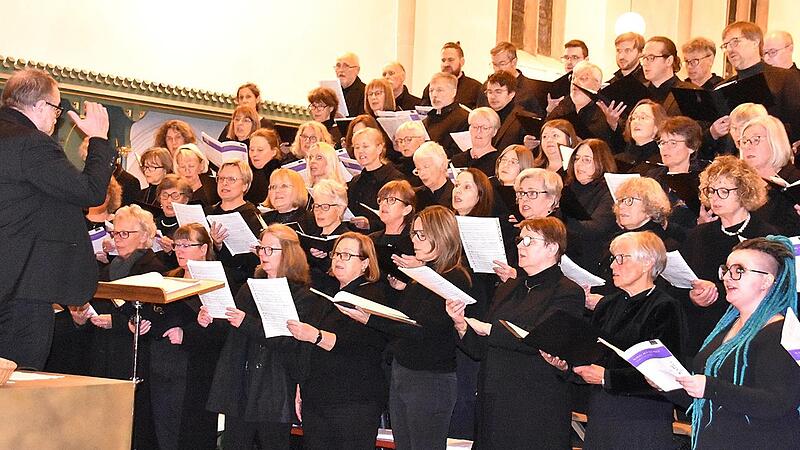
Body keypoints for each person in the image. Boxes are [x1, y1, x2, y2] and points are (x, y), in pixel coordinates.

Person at [0, 68, 116, 370]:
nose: (58, 117)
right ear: (39, 106)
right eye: (56, 108)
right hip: (22, 286)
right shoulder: (32, 143)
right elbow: (89, 192)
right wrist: (99, 139)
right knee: (20, 384)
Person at [338, 205, 471, 450]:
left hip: (430, 378)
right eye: (414, 234)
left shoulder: (455, 277)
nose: (415, 241)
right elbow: (407, 317)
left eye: (421, 235)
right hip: (404, 370)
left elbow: (422, 329)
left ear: (441, 236)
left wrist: (369, 318)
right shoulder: (420, 274)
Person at [447, 217, 584, 449]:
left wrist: (489, 329)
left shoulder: (568, 291)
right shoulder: (511, 286)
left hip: (534, 405)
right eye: (521, 240)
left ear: (552, 248)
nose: (520, 245)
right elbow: (481, 349)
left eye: (529, 240)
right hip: (494, 400)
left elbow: (542, 338)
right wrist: (461, 325)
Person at [675, 236, 800, 449]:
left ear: (766, 281)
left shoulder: (781, 331)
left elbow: (777, 402)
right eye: (727, 269)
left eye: (739, 270)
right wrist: (669, 385)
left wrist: (710, 387)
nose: (728, 278)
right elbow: (710, 396)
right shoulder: (725, 326)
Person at [205, 224, 318, 450]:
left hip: (275, 386)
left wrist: (246, 322)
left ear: (288, 253)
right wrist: (210, 318)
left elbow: (289, 340)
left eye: (270, 250)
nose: (263, 255)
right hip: (241, 382)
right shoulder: (250, 287)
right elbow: (232, 330)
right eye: (261, 249)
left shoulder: (301, 295)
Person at [571, 231, 685, 450]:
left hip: (642, 415)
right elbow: (592, 354)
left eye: (621, 258)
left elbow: (666, 373)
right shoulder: (608, 304)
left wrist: (607, 377)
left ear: (647, 262)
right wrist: (566, 364)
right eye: (613, 258)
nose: (613, 266)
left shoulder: (665, 306)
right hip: (602, 408)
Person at [290, 232, 389, 450]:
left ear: (365, 264)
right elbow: (306, 348)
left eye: (347, 255)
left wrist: (315, 336)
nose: (338, 260)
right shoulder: (326, 294)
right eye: (337, 254)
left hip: (353, 400)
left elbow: (357, 342)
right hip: (317, 395)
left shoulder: (373, 295)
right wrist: (300, 385)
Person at [680, 155, 775, 356]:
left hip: (748, 331)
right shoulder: (698, 234)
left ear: (744, 192)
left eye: (724, 191)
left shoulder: (765, 237)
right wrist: (693, 296)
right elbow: (677, 283)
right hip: (702, 330)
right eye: (711, 190)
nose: (714, 197)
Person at [89, 204, 166, 449]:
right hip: (106, 352)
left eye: (125, 234)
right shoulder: (108, 267)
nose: (118, 239)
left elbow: (153, 317)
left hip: (135, 356)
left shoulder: (153, 268)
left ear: (144, 236)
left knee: (135, 426)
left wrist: (118, 323)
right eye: (115, 233)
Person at [165, 224, 231, 450]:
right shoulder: (169, 277)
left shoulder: (215, 281)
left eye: (186, 245)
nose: (179, 250)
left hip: (201, 366)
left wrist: (193, 330)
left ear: (203, 249)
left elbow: (224, 330)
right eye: (177, 245)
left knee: (194, 430)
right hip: (167, 364)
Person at [717, 21, 800, 143]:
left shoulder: (785, 78)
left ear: (755, 41)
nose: (729, 49)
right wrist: (713, 132)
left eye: (735, 42)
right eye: (726, 45)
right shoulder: (723, 87)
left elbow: (796, 123)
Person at [562, 139, 618, 273]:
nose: (579, 164)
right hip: (567, 253)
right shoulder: (569, 188)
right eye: (576, 159)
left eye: (586, 160)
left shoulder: (609, 191)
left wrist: (557, 222)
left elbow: (595, 229)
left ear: (601, 162)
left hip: (592, 258)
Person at [739, 115, 800, 236]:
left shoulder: (795, 182)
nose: (748, 146)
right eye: (744, 141)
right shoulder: (738, 184)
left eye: (756, 139)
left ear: (775, 141)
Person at [207, 159, 262, 288]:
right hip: (210, 276)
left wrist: (219, 246)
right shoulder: (208, 212)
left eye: (231, 179)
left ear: (245, 185)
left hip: (240, 280)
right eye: (221, 179)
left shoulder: (252, 216)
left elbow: (251, 260)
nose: (224, 183)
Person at [647, 116, 709, 230]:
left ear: (692, 147)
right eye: (662, 142)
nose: (665, 148)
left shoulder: (703, 180)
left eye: (673, 143)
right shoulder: (652, 177)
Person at [346, 127, 405, 230]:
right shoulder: (355, 181)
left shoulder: (394, 179)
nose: (360, 151)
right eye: (357, 147)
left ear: (379, 148)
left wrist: (370, 224)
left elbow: (400, 218)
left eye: (365, 146)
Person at [547, 61, 614, 143]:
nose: (575, 82)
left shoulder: (604, 111)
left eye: (582, 79)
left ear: (597, 85)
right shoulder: (563, 105)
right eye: (573, 78)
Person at [369, 180, 416, 288]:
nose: (383, 204)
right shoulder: (371, 239)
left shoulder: (414, 242)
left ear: (406, 209)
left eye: (391, 200)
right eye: (381, 200)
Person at [640, 36, 698, 116]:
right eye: (644, 58)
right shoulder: (638, 91)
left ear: (669, 61)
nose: (645, 63)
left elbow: (696, 127)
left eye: (651, 58)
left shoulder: (689, 93)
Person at [485, 41, 545, 116]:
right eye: (494, 64)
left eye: (502, 64)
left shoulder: (531, 89)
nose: (497, 69)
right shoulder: (487, 85)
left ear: (514, 62)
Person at [421, 41, 483, 109]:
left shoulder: (476, 88)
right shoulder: (432, 87)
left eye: (450, 60)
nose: (446, 64)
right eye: (443, 60)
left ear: (462, 62)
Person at [423, 72, 470, 157]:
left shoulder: (464, 118)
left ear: (453, 93)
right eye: (431, 90)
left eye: (439, 90)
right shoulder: (427, 119)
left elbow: (458, 152)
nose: (434, 95)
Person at [615, 99, 668, 172]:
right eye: (633, 118)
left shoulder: (664, 162)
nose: (636, 121)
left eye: (643, 117)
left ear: (657, 125)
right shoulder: (617, 161)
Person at [260, 168, 316, 233]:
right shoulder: (263, 220)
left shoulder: (310, 220)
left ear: (298, 190)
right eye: (273, 187)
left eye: (284, 186)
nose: (277, 191)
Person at [483, 72, 527, 150]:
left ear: (511, 94)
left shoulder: (523, 120)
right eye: (489, 92)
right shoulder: (483, 115)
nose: (492, 97)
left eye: (498, 92)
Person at [451, 107, 501, 177]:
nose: (479, 131)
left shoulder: (499, 162)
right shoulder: (457, 160)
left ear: (494, 132)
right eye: (475, 127)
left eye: (485, 128)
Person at [491, 144, 534, 214]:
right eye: (504, 160)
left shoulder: (529, 197)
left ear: (524, 166)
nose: (505, 165)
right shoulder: (489, 189)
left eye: (513, 162)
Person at [246, 128, 283, 205]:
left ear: (273, 152)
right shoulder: (249, 172)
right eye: (251, 150)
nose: (254, 154)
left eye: (260, 150)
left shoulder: (280, 176)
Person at [413, 141, 453, 210]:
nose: (422, 173)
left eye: (426, 167)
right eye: (418, 169)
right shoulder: (415, 197)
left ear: (442, 165)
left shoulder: (455, 196)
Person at [392, 120, 427, 185]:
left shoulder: (429, 165)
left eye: (408, 139)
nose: (403, 144)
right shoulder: (395, 170)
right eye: (399, 141)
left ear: (421, 139)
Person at [335, 52, 366, 117]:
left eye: (346, 66)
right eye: (338, 65)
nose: (341, 70)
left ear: (357, 70)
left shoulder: (366, 92)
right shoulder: (332, 91)